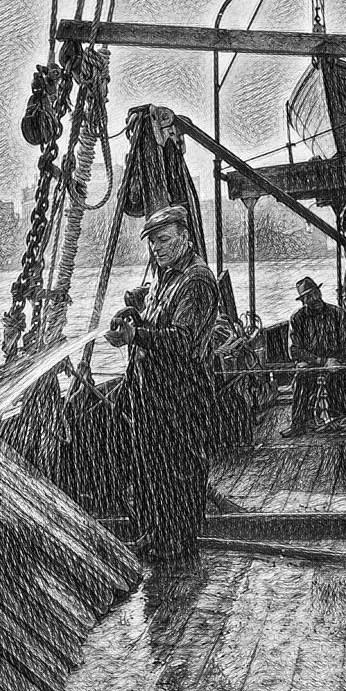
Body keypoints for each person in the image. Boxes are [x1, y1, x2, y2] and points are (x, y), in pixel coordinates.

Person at [104, 204, 219, 567]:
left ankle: (179, 545)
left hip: (180, 394)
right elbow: (159, 323)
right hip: (153, 393)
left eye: (164, 240)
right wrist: (135, 313)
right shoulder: (167, 276)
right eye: (153, 243)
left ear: (185, 238)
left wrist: (135, 334)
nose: (157, 249)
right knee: (153, 467)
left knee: (178, 469)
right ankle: (158, 533)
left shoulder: (196, 280)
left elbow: (182, 341)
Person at [281, 277, 346, 437]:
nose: (314, 298)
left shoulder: (337, 313)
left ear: (320, 292)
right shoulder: (297, 318)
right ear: (303, 301)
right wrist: (322, 361)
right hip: (313, 362)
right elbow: (294, 350)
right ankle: (298, 424)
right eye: (308, 296)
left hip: (339, 360)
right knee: (301, 375)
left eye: (316, 293)